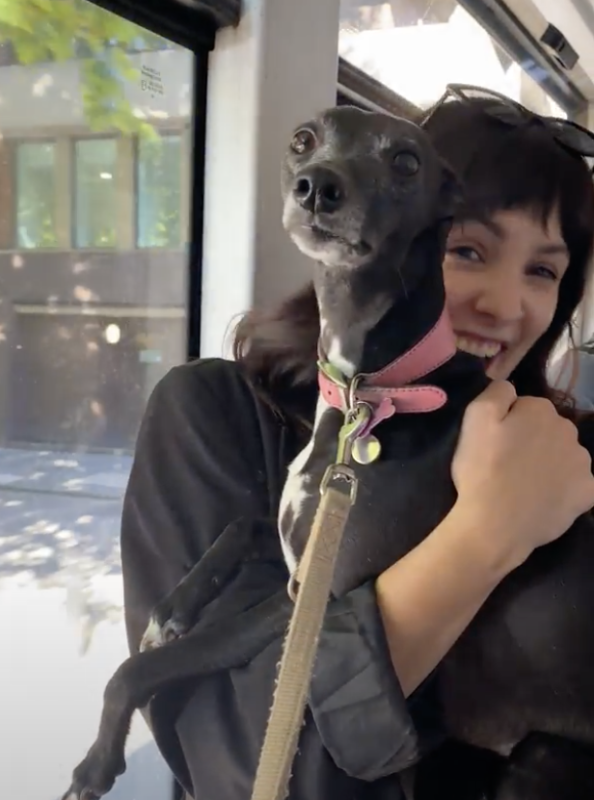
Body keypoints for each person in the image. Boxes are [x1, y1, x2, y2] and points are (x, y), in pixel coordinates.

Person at [120, 85, 594, 800]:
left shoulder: (565, 461)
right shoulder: (221, 417)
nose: (504, 304)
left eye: (543, 271)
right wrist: (485, 534)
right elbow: (247, 769)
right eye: (467, 249)